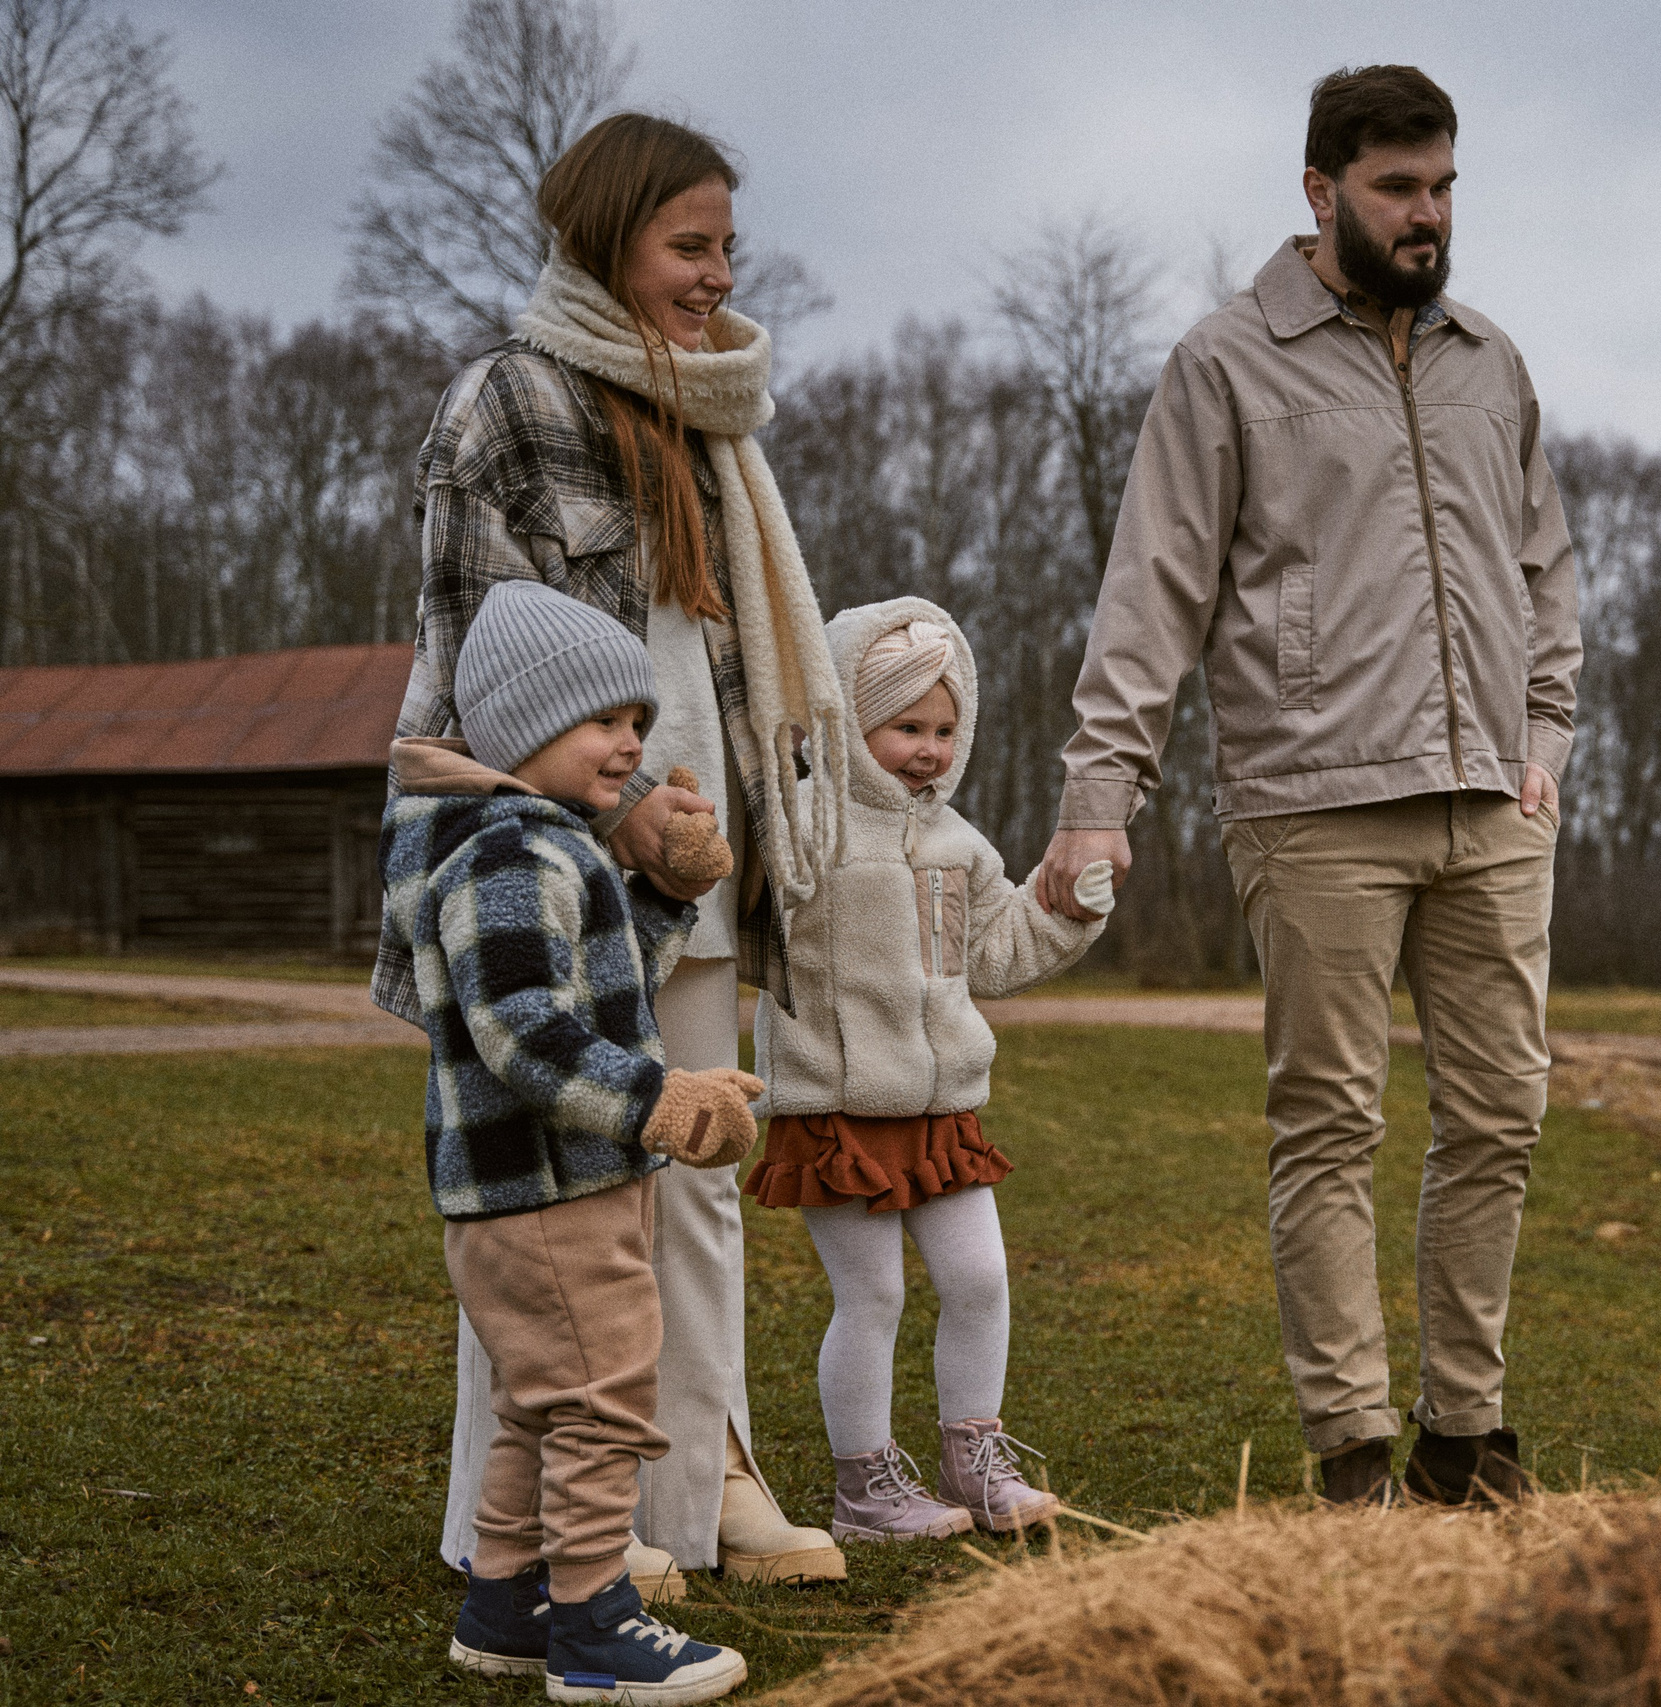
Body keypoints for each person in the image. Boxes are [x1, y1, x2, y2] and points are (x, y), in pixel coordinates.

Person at [1035, 65, 1582, 1508]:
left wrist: (1547, 737)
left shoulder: (1491, 362)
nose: (1427, 214)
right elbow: (1151, 589)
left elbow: (1548, 573)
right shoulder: (1228, 364)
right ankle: (1352, 1455)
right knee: (1331, 1124)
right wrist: (1103, 787)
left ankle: (1465, 1439)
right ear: (1320, 188)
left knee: (1502, 1116)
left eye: (1445, 185)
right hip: (1316, 802)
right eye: (1399, 187)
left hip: (1491, 809)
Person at [374, 111, 849, 1591]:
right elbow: (473, 672)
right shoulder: (505, 406)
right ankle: (519, 1524)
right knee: (551, 1179)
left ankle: (698, 1479)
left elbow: (716, 653)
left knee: (693, 1158)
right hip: (549, 843)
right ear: (604, 240)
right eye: (686, 245)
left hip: (688, 845)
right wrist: (616, 806)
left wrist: (707, 828)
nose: (716, 274)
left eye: (726, 245)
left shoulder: (714, 418)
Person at [381, 580, 755, 1702]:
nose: (631, 746)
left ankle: (508, 1601)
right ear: (526, 726)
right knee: (600, 1402)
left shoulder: (539, 842)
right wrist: (663, 1102)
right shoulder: (505, 851)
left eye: (638, 723)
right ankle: (594, 1626)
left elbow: (599, 981)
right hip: (547, 1193)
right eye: (605, 723)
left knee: (543, 1401)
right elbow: (526, 1035)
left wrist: (664, 891)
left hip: (534, 1192)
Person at [745, 598, 1116, 1540]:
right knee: (873, 1295)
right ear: (850, 720)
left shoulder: (961, 847)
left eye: (946, 729)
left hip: (943, 1107)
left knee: (982, 1278)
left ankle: (973, 1459)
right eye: (907, 725)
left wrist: (1068, 911)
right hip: (836, 1104)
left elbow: (993, 954)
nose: (930, 749)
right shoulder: (802, 830)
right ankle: (865, 1487)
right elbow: (741, 920)